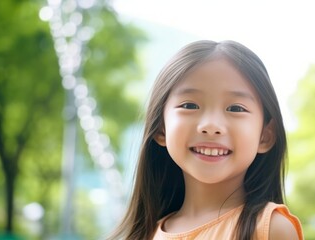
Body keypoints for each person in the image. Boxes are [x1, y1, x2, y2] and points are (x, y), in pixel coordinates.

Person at [108, 40, 303, 240]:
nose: (211, 126)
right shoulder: (146, 234)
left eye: (236, 108)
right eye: (190, 105)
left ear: (265, 136)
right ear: (161, 129)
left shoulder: (270, 229)